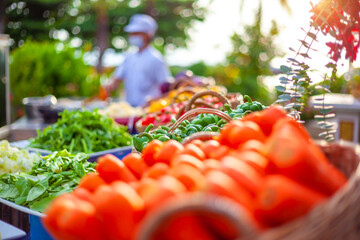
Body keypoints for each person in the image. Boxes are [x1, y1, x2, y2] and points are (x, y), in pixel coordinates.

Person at [104, 14, 172, 107]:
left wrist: (153, 102)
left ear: (148, 34)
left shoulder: (156, 59)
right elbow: (117, 77)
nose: (132, 36)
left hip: (147, 111)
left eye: (136, 33)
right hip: (129, 109)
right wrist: (110, 84)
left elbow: (166, 88)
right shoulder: (129, 56)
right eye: (131, 33)